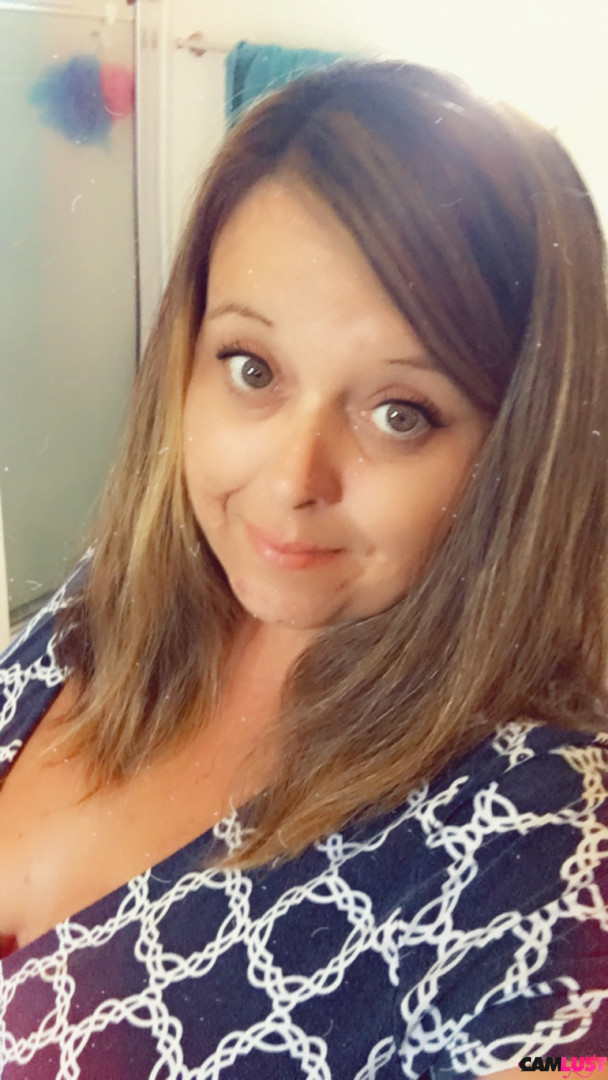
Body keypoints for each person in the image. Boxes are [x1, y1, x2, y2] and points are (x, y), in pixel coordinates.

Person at [0, 59, 607, 1079]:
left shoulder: (533, 841)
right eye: (253, 368)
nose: (290, 481)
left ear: (518, 453)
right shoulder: (106, 601)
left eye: (399, 413)